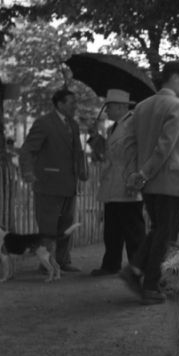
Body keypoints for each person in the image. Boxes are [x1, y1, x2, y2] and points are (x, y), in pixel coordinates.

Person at [120, 61, 179, 305]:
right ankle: (151, 285)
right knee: (167, 233)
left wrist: (136, 173)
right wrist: (144, 173)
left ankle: (136, 269)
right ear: (174, 78)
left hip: (149, 183)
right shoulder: (176, 105)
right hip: (169, 179)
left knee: (159, 229)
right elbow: (165, 146)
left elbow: (129, 143)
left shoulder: (142, 106)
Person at [19, 88, 87, 272]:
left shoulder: (73, 124)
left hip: (69, 184)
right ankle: (46, 264)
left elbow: (77, 152)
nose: (75, 106)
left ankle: (62, 261)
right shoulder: (44, 123)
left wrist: (82, 171)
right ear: (60, 104)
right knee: (48, 226)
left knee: (66, 224)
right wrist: (27, 172)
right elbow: (27, 150)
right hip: (48, 184)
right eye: (72, 103)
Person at [87, 89, 146, 276]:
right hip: (113, 182)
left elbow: (142, 152)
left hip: (128, 181)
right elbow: (107, 153)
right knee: (112, 228)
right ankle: (111, 263)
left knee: (133, 229)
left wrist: (138, 178)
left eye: (109, 107)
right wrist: (95, 138)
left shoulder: (135, 124)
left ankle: (139, 266)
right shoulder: (113, 127)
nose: (106, 111)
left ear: (120, 107)